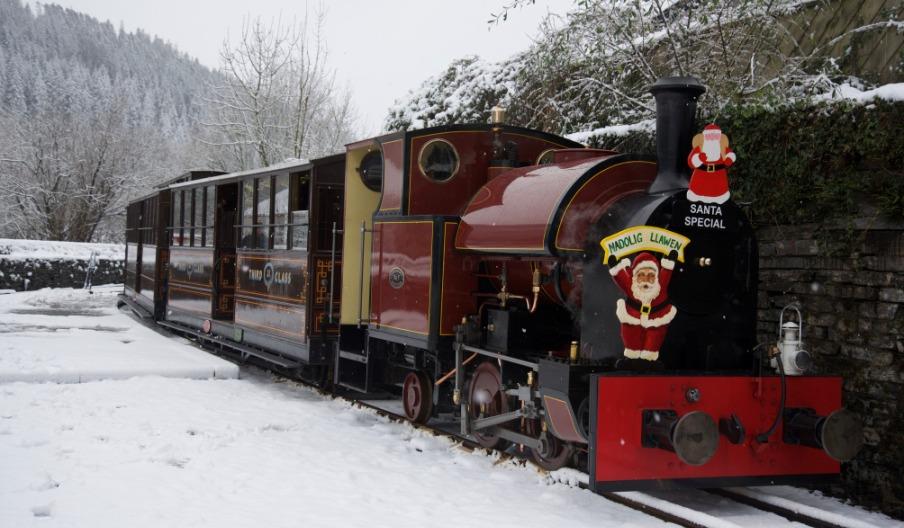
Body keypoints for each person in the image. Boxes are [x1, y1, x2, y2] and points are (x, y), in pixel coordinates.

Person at [607, 251, 677, 361]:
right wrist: (616, 267)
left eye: (650, 276)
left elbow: (666, 273)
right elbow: (621, 278)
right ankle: (632, 357)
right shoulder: (631, 285)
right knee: (631, 336)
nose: (646, 280)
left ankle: (649, 358)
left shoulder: (660, 285)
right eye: (641, 275)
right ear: (635, 276)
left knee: (654, 338)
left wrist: (669, 262)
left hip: (656, 319)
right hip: (633, 318)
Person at [686, 123, 736, 204]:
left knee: (718, 193)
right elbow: (691, 162)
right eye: (710, 136)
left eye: (715, 136)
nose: (712, 139)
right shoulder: (700, 148)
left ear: (719, 137)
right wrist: (699, 158)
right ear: (705, 137)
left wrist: (729, 159)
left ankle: (718, 199)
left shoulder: (722, 148)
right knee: (698, 192)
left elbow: (730, 154)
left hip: (718, 177)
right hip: (701, 177)